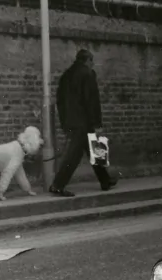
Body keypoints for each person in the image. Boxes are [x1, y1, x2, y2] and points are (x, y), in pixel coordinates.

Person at [50, 49, 117, 197]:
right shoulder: (87, 74)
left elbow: (60, 101)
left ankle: (105, 180)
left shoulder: (66, 75)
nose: (93, 64)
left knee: (95, 148)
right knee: (74, 155)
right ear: (87, 60)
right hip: (84, 122)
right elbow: (91, 101)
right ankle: (57, 185)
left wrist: (65, 121)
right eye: (92, 61)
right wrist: (97, 122)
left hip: (71, 121)